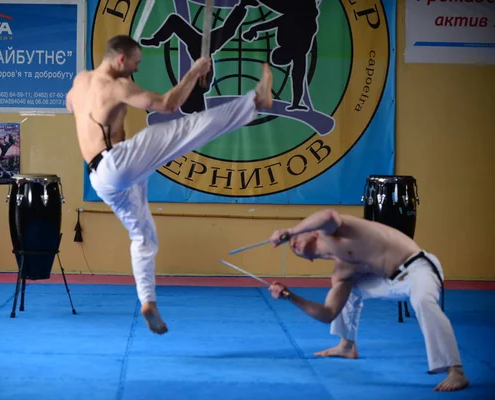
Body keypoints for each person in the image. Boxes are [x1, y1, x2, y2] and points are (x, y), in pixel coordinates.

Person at [66, 35, 273, 335]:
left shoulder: (81, 80)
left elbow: (70, 102)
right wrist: (196, 69)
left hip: (101, 180)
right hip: (117, 163)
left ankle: (147, 302)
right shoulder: (117, 86)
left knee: (144, 237)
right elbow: (168, 104)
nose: (136, 69)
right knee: (184, 129)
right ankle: (255, 101)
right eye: (136, 63)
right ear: (121, 60)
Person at [266, 209, 469, 392]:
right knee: (351, 287)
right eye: (292, 248)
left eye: (296, 238)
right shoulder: (342, 269)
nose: (292, 243)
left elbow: (328, 215)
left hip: (418, 267)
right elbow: (328, 313)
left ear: (314, 232)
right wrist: (288, 295)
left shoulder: (331, 231)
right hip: (391, 280)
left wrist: (290, 230)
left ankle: (455, 370)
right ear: (308, 260)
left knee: (423, 301)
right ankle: (346, 345)